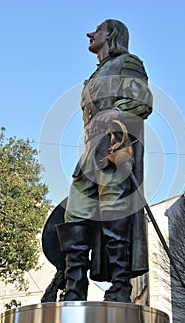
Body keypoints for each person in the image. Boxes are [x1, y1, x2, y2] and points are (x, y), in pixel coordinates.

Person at [56, 19, 153, 303]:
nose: (90, 33)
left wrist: (117, 111)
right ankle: (74, 288)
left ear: (110, 34)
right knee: (74, 216)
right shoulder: (96, 73)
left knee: (113, 209)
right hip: (90, 153)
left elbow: (143, 100)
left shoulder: (128, 61)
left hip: (114, 147)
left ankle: (120, 286)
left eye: (97, 30)